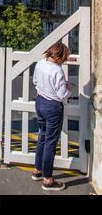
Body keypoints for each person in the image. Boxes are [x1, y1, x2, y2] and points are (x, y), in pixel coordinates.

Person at [32, 42, 72, 191]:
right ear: (59, 56)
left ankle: (38, 170)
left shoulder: (40, 63)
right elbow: (62, 95)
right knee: (51, 142)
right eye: (65, 57)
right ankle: (48, 179)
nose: (65, 60)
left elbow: (35, 81)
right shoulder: (58, 71)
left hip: (40, 102)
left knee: (42, 136)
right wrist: (69, 89)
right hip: (53, 107)